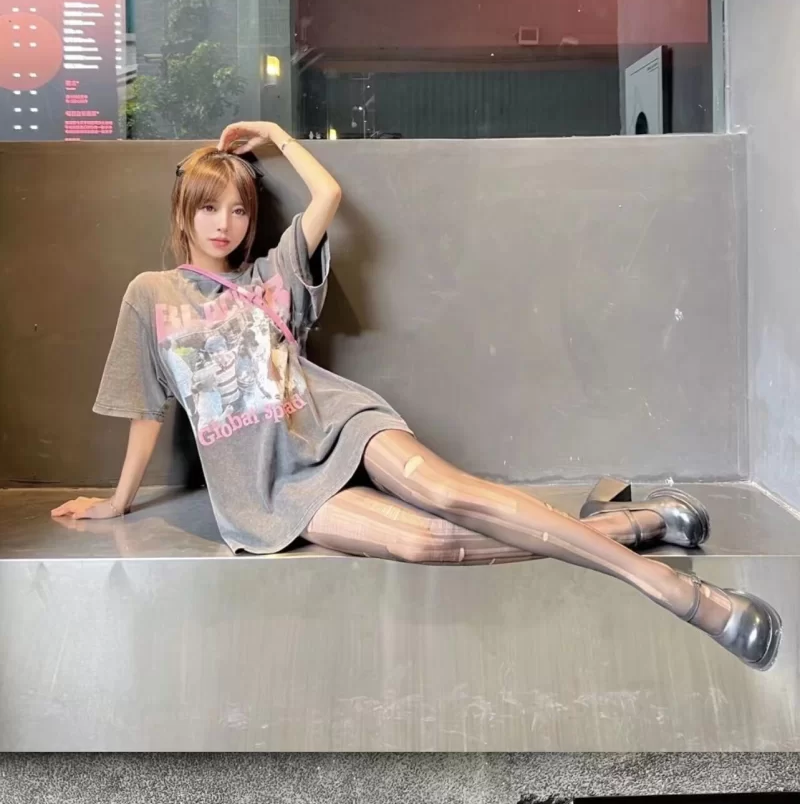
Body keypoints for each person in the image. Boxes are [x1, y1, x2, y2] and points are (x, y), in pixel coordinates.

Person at [52, 121, 780, 670]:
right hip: (267, 490)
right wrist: (118, 501)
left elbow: (329, 196)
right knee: (428, 541)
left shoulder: (270, 276)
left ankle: (685, 596)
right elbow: (147, 406)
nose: (224, 223)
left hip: (337, 422)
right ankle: (637, 524)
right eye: (210, 208)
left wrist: (276, 135)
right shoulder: (151, 294)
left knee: (452, 495)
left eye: (238, 209)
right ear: (184, 211)